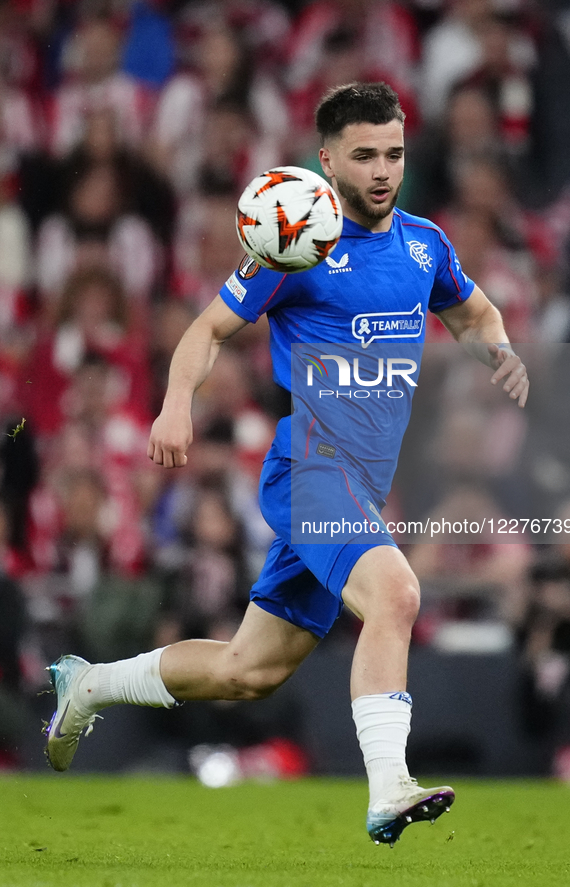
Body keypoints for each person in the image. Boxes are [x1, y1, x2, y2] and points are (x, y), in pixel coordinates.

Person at [45, 82, 529, 846]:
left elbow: (472, 310)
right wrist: (176, 403)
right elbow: (205, 330)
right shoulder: (293, 243)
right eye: (363, 154)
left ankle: (90, 684)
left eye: (394, 153)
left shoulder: (424, 243)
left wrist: (497, 349)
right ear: (327, 159)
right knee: (396, 593)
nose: (381, 170)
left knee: (248, 670)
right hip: (309, 468)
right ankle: (387, 786)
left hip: (360, 485)